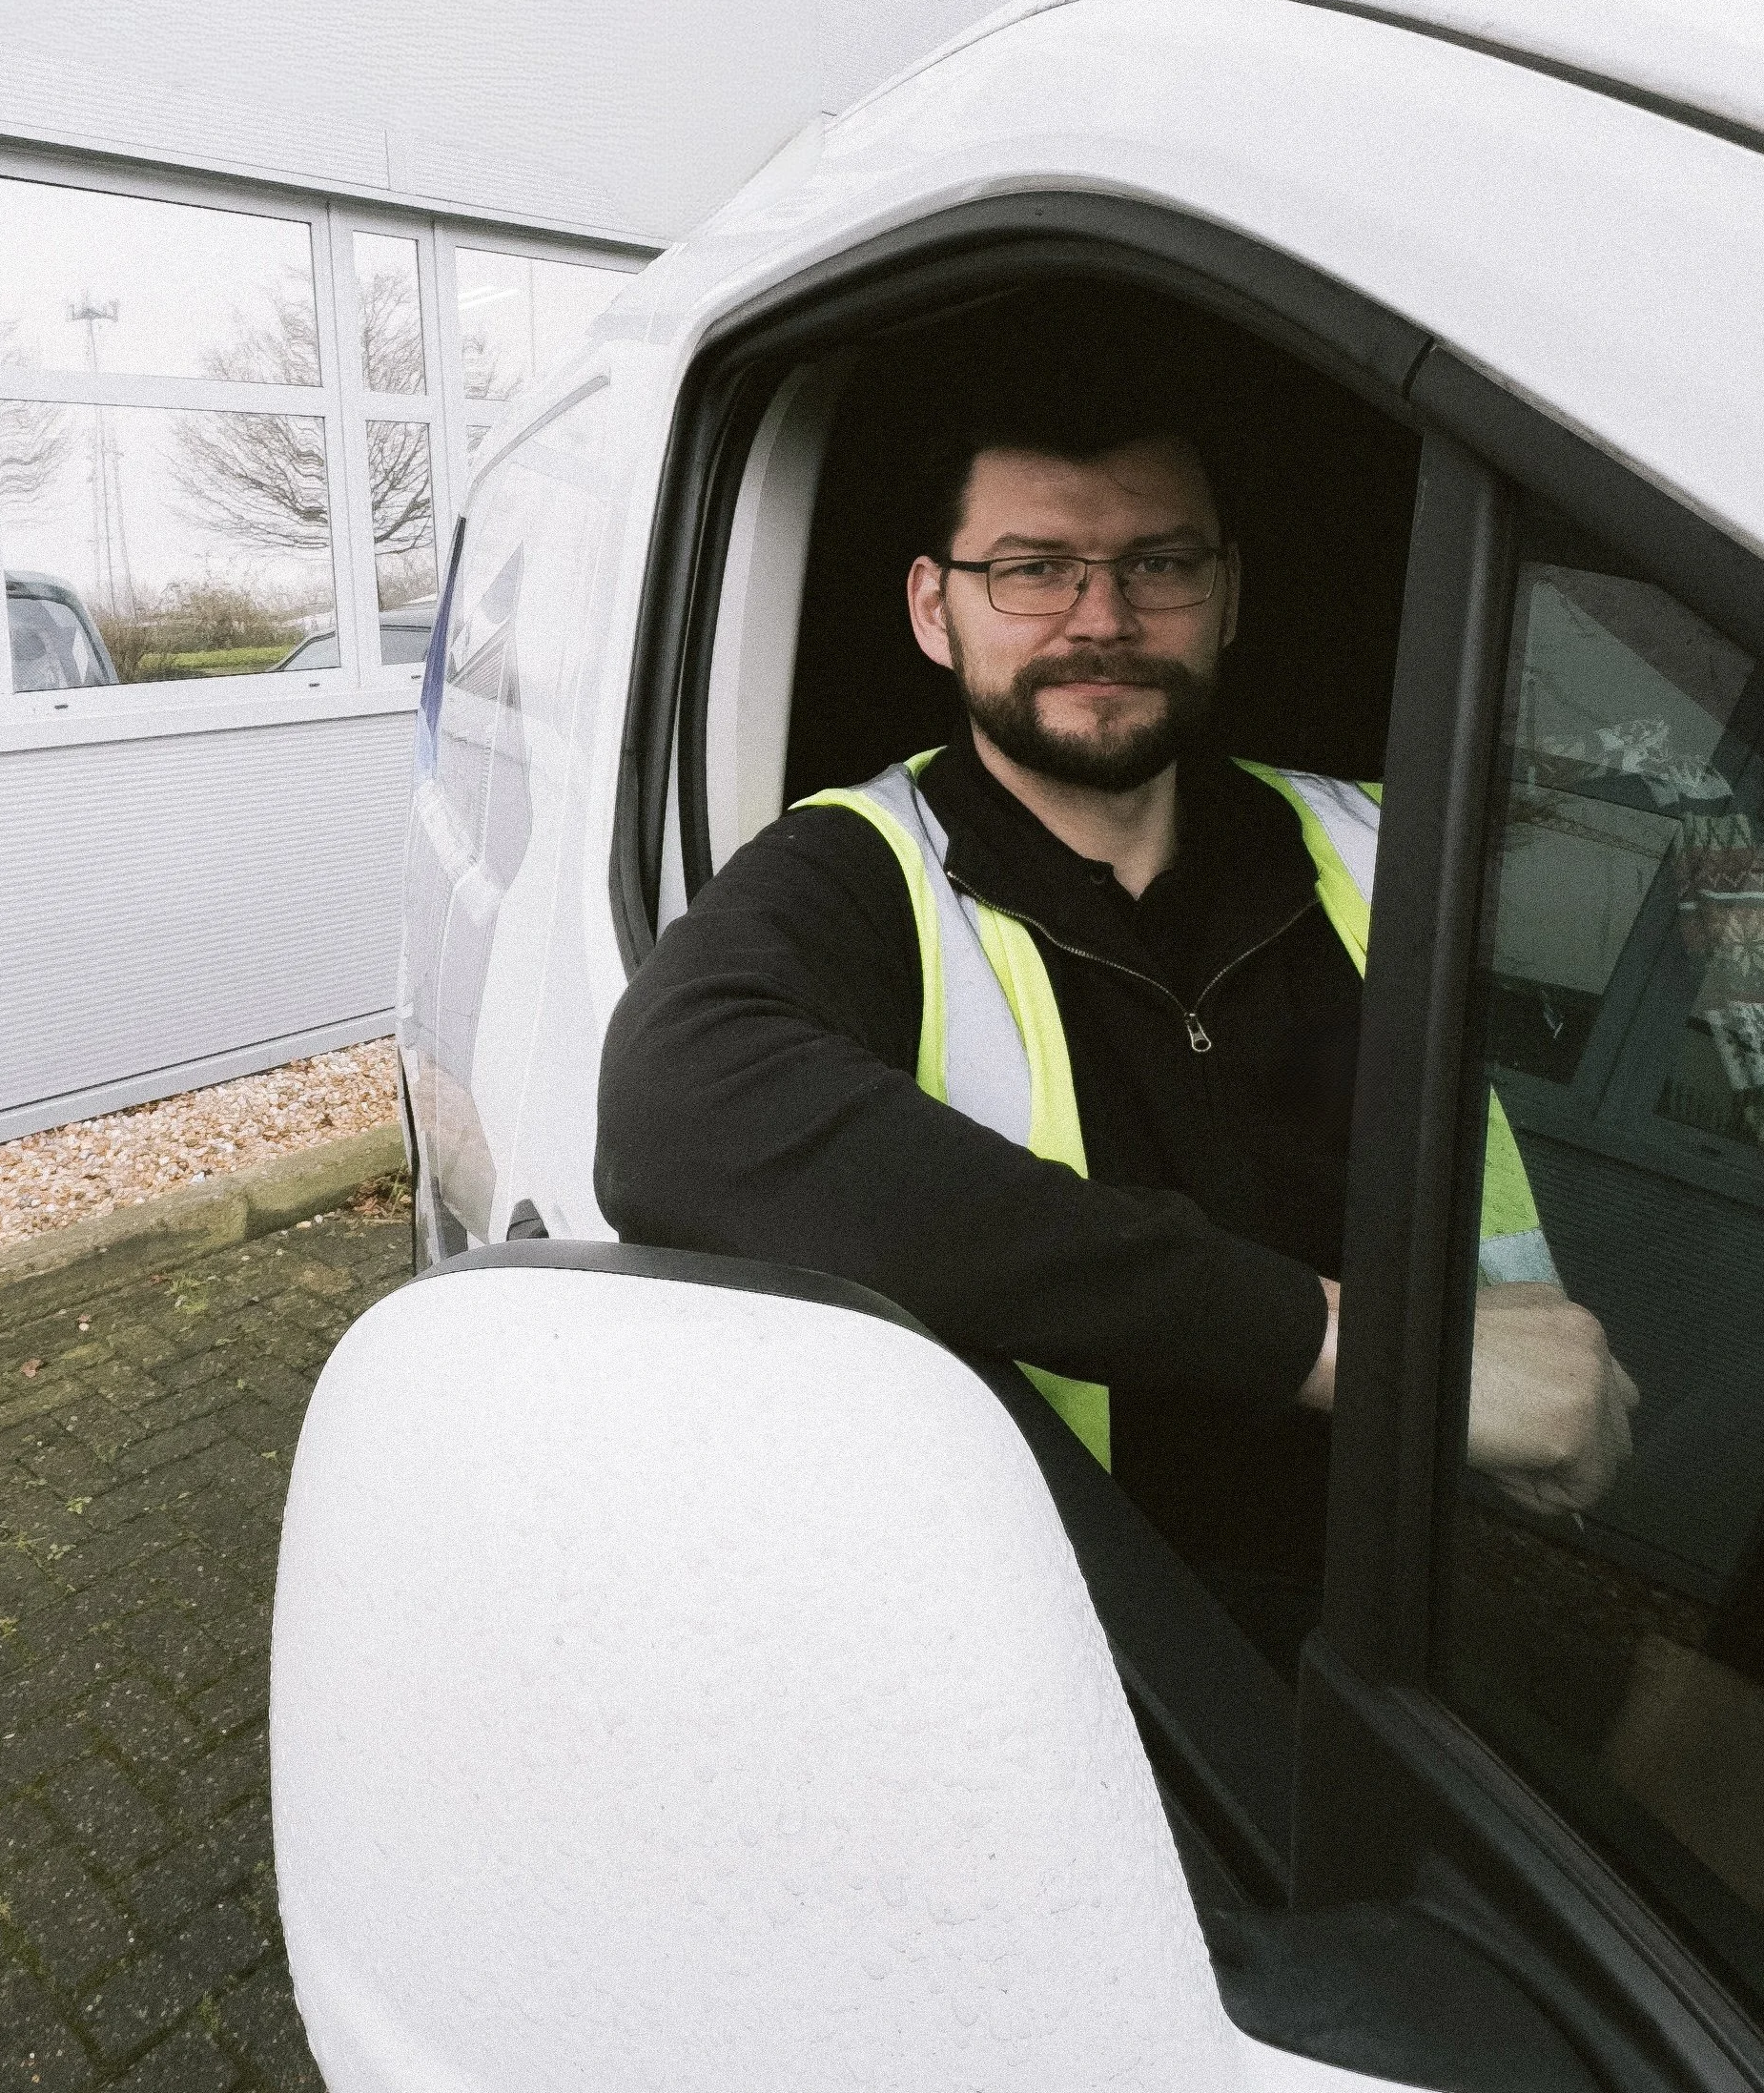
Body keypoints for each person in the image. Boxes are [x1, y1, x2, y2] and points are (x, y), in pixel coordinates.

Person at [595, 365, 1636, 1675]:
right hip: (1096, 1654)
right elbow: (668, 1114)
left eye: (1159, 564)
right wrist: (1355, 1355)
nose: (1102, 616)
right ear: (936, 608)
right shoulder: (858, 870)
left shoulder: (1383, 839)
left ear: (1229, 596)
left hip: (1421, 1608)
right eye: (1032, 567)